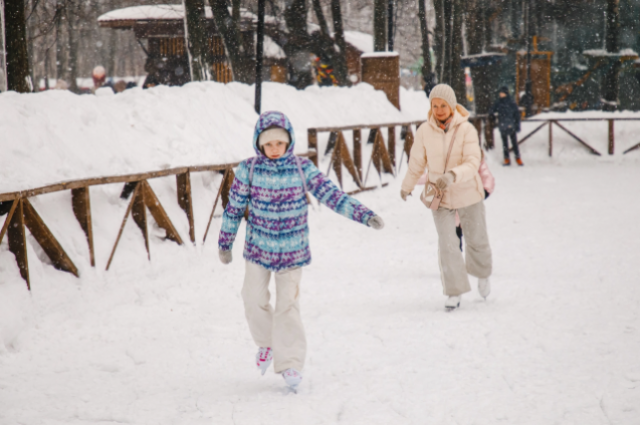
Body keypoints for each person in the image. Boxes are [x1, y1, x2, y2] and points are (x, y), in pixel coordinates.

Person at [218, 111, 384, 390]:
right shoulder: (249, 169)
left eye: (279, 144)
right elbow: (233, 208)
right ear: (259, 144)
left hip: (292, 251)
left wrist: (364, 215)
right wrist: (225, 242)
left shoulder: (300, 167)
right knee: (252, 298)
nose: (273, 150)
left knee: (288, 306)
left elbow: (331, 194)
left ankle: (291, 363)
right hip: (258, 247)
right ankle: (268, 343)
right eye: (268, 144)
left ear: (289, 143)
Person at [400, 84, 492, 311]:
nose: (439, 109)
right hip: (438, 196)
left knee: (476, 238)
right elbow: (416, 162)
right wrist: (407, 185)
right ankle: (454, 291)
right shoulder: (424, 131)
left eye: (443, 105)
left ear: (452, 106)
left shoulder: (467, 130)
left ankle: (482, 275)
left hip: (468, 191)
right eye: (435, 105)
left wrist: (452, 175)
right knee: (448, 244)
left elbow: (473, 162)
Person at [489, 86, 523, 166]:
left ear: (505, 93)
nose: (500, 94)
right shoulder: (499, 102)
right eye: (500, 93)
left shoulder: (511, 102)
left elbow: (516, 115)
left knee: (514, 143)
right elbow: (492, 110)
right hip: (503, 125)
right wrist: (492, 115)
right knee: (505, 144)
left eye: (502, 93)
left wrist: (517, 125)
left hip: (511, 125)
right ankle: (507, 159)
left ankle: (518, 158)